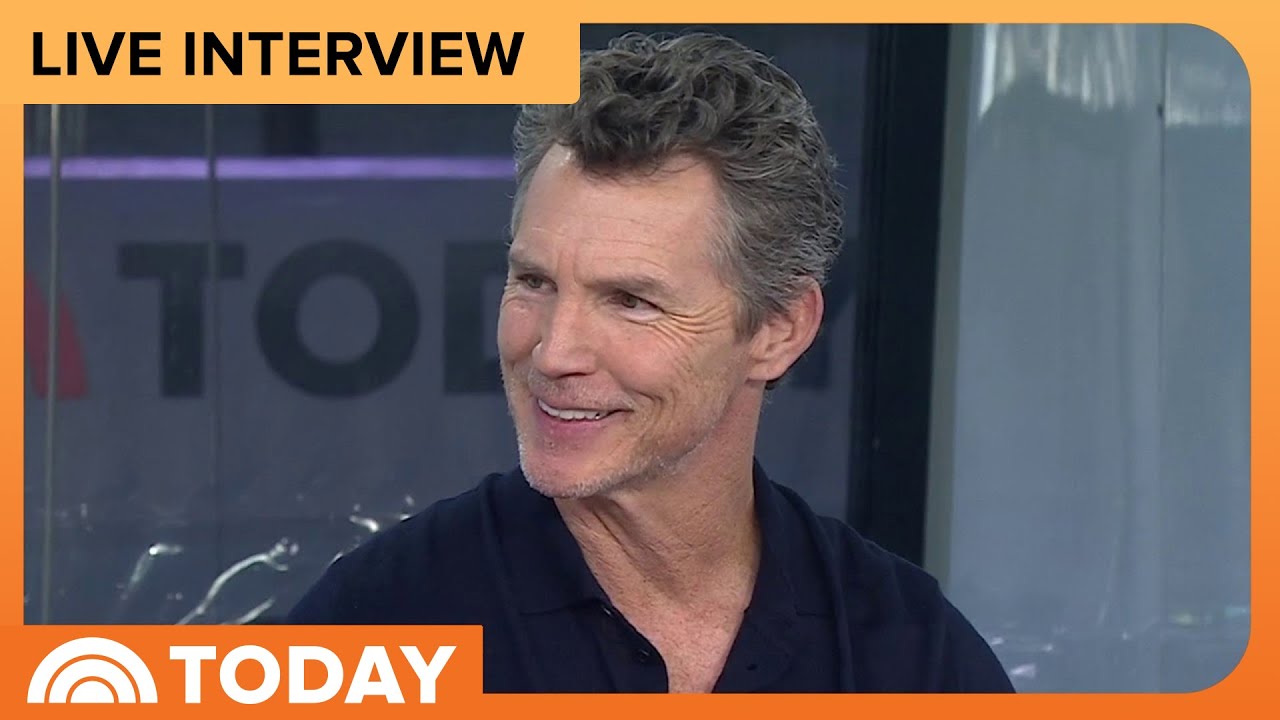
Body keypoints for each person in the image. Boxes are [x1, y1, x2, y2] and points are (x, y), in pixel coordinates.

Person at [287, 31, 1015, 694]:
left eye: (631, 301)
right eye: (534, 282)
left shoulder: (912, 656)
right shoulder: (371, 629)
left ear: (779, 328)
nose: (554, 352)